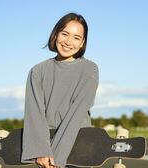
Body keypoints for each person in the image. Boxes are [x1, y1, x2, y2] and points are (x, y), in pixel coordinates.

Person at [20, 12, 99, 168]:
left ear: (82, 42)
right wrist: (41, 150)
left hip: (78, 142)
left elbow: (76, 114)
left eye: (76, 38)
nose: (68, 42)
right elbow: (34, 113)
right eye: (65, 34)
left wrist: (57, 157)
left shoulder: (90, 69)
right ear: (56, 34)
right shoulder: (37, 71)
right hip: (46, 147)